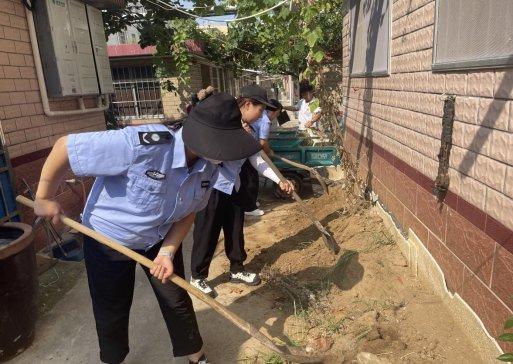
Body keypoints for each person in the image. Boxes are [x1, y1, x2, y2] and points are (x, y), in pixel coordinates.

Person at [32, 93, 264, 364]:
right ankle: (113, 359)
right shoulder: (143, 145)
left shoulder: (209, 166)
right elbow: (65, 147)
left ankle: (195, 356)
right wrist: (45, 197)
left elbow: (189, 211)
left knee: (176, 299)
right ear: (202, 137)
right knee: (112, 307)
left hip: (159, 238)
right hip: (109, 239)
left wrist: (167, 252)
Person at [190, 85, 294, 298]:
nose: (263, 115)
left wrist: (279, 180)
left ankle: (237, 269)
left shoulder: (248, 129)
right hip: (212, 186)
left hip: (233, 186)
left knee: (235, 230)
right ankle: (197, 276)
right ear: (247, 105)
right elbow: (210, 154)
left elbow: (255, 158)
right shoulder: (224, 123)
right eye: (260, 109)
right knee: (207, 231)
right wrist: (236, 137)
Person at [244, 99, 283, 217]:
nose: (276, 117)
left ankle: (251, 202)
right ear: (275, 112)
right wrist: (269, 153)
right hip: (249, 151)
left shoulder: (260, 118)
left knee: (250, 178)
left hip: (249, 150)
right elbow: (262, 143)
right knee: (251, 178)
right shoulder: (265, 120)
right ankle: (249, 207)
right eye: (278, 114)